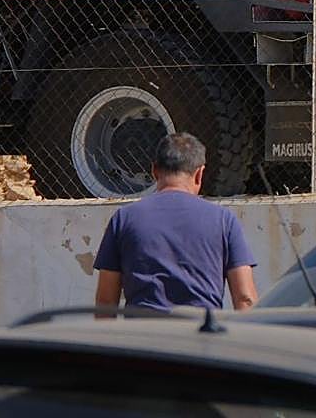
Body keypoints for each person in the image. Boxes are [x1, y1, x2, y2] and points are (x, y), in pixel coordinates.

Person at [93, 132, 258, 312]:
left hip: (141, 335)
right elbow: (245, 298)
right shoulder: (224, 220)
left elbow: (106, 300)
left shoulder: (124, 218)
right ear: (199, 174)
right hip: (201, 334)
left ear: (154, 171)